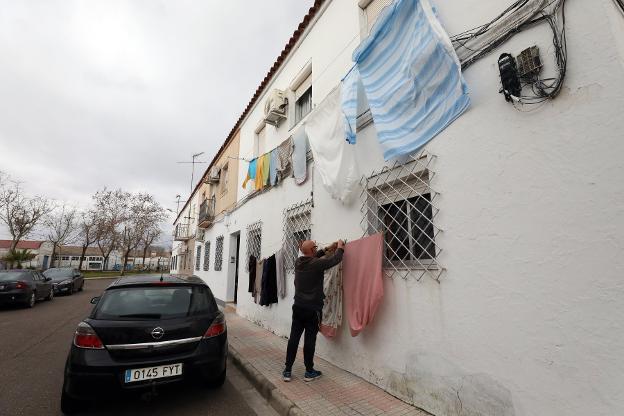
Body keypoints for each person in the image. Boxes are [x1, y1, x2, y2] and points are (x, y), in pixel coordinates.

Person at [283, 239, 345, 382]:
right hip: (312, 310)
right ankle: (309, 371)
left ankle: (287, 370)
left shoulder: (299, 262)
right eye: (315, 247)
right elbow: (335, 260)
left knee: (294, 338)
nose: (316, 249)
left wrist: (326, 248)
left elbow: (314, 256)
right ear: (311, 250)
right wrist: (340, 248)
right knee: (309, 340)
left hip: (297, 307)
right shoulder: (317, 264)